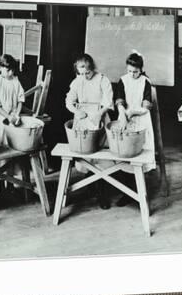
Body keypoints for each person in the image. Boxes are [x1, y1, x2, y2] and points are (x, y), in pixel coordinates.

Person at [65, 53, 113, 209]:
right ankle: (90, 187)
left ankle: (102, 192)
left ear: (93, 68)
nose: (85, 76)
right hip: (83, 119)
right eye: (81, 73)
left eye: (88, 73)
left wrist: (99, 114)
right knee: (86, 154)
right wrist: (76, 111)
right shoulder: (78, 81)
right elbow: (69, 101)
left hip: (99, 116)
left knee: (101, 155)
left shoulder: (102, 80)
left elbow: (108, 101)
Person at [113, 50, 156, 205]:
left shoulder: (145, 82)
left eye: (136, 72)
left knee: (140, 153)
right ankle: (127, 191)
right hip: (125, 118)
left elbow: (145, 107)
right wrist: (123, 114)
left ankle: (140, 192)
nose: (132, 74)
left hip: (141, 119)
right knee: (126, 152)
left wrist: (132, 112)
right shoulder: (123, 80)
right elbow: (119, 101)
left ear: (141, 69)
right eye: (129, 71)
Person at [0, 54, 26, 196]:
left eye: (12, 70)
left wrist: (16, 114)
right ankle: (1, 184)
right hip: (0, 119)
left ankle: (11, 183)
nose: (10, 73)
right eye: (7, 70)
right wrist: (8, 116)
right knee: (2, 152)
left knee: (13, 150)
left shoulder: (15, 81)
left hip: (13, 119)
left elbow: (21, 99)